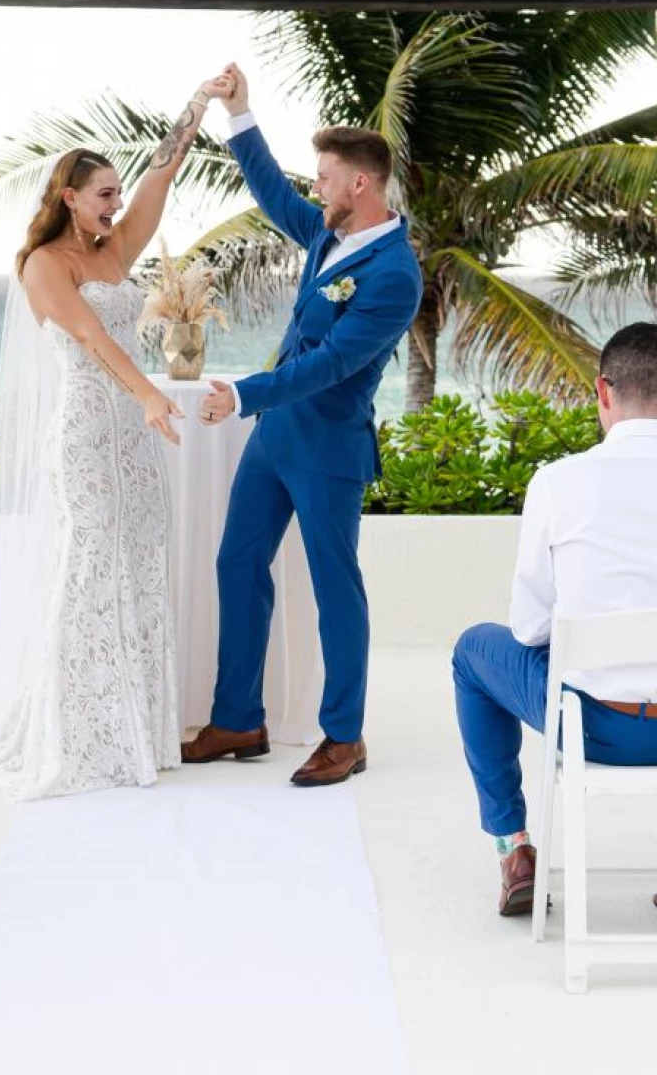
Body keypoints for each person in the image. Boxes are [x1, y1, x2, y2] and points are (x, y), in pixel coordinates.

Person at [0, 72, 229, 799]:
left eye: (116, 193)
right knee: (89, 567)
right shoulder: (44, 264)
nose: (116, 204)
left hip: (137, 436)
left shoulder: (115, 249)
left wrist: (198, 104)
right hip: (85, 432)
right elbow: (93, 337)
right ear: (68, 198)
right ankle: (79, 729)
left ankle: (134, 722)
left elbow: (163, 173)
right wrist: (146, 393)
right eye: (103, 194)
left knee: (138, 562)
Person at [449, 324, 657, 919]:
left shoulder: (558, 482)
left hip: (590, 727)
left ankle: (514, 849)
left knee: (473, 651)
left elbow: (530, 629)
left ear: (602, 392)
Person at [183, 63, 423, 787]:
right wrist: (241, 114)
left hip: (327, 448)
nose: (314, 187)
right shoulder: (326, 234)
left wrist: (245, 392)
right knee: (237, 561)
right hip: (275, 438)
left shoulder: (395, 274)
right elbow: (270, 193)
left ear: (362, 184)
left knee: (334, 587)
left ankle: (344, 736)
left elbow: (331, 363)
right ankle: (239, 718)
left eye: (325, 176)